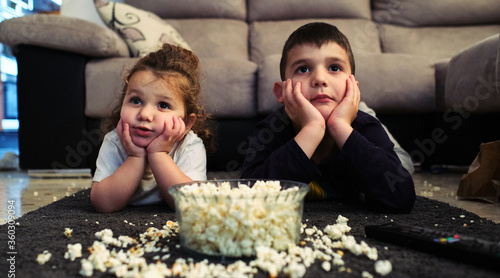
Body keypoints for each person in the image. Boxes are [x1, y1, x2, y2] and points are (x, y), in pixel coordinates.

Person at [241, 22, 415, 213]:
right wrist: (312, 129)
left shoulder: (365, 127)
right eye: (303, 69)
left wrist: (340, 126)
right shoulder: (271, 129)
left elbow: (401, 198)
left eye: (334, 67)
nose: (320, 79)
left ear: (354, 87)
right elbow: (250, 198)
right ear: (282, 92)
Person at [91, 44, 214, 213]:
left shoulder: (190, 145)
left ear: (186, 124)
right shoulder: (116, 140)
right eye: (135, 100)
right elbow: (103, 204)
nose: (145, 114)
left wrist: (159, 154)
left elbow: (191, 205)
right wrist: (136, 156)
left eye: (163, 105)